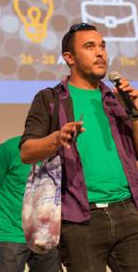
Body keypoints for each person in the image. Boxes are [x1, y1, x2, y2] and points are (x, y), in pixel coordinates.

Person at [20, 22, 138, 272]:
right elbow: (27, 151)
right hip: (81, 219)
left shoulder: (116, 98)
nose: (101, 53)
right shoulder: (51, 99)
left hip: (129, 212)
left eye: (103, 46)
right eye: (90, 46)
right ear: (69, 57)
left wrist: (136, 113)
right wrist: (56, 139)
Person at [0, 136, 60, 272]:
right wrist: (4, 221)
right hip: (12, 234)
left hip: (46, 235)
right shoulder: (9, 149)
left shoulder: (60, 151)